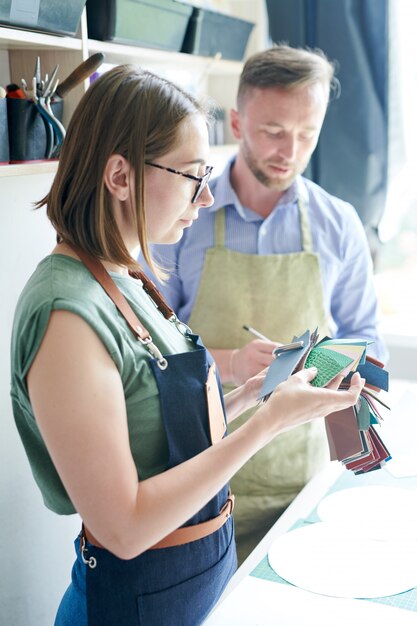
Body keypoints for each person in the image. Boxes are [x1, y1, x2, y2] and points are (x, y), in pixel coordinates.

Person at [10, 64, 364, 625]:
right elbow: (124, 528)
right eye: (193, 176)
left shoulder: (124, 277)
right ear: (120, 177)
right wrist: (266, 426)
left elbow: (155, 434)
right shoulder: (67, 314)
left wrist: (249, 396)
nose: (204, 199)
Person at [141, 45, 387, 564]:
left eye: (307, 134)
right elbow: (145, 352)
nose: (289, 150)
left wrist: (346, 378)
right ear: (236, 120)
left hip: (299, 479)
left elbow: (368, 342)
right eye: (274, 131)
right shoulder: (183, 217)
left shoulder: (338, 223)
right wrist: (229, 362)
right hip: (199, 477)